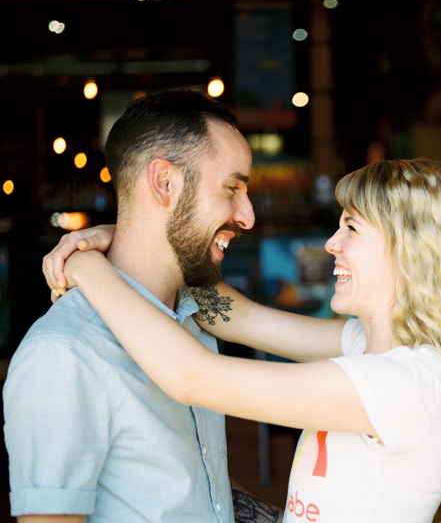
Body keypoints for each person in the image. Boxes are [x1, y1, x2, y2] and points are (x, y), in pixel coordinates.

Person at [44, 158, 441, 522]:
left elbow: (192, 378)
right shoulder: (373, 348)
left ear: (413, 251)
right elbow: (237, 317)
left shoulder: (406, 383)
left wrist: (87, 267)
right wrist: (131, 243)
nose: (332, 243)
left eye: (351, 228)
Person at [4, 90, 281, 523]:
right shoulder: (63, 353)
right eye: (232, 188)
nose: (246, 215)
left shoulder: (195, 318)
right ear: (164, 182)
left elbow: (188, 486)